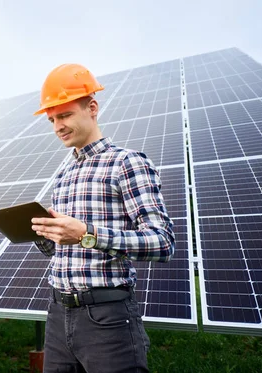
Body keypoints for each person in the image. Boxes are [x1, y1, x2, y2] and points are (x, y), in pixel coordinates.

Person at [30, 63, 175, 373]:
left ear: (92, 107)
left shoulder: (126, 163)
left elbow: (162, 242)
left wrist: (86, 234)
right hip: (57, 316)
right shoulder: (64, 174)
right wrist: (47, 236)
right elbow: (69, 247)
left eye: (65, 115)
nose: (58, 126)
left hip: (107, 318)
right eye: (52, 119)